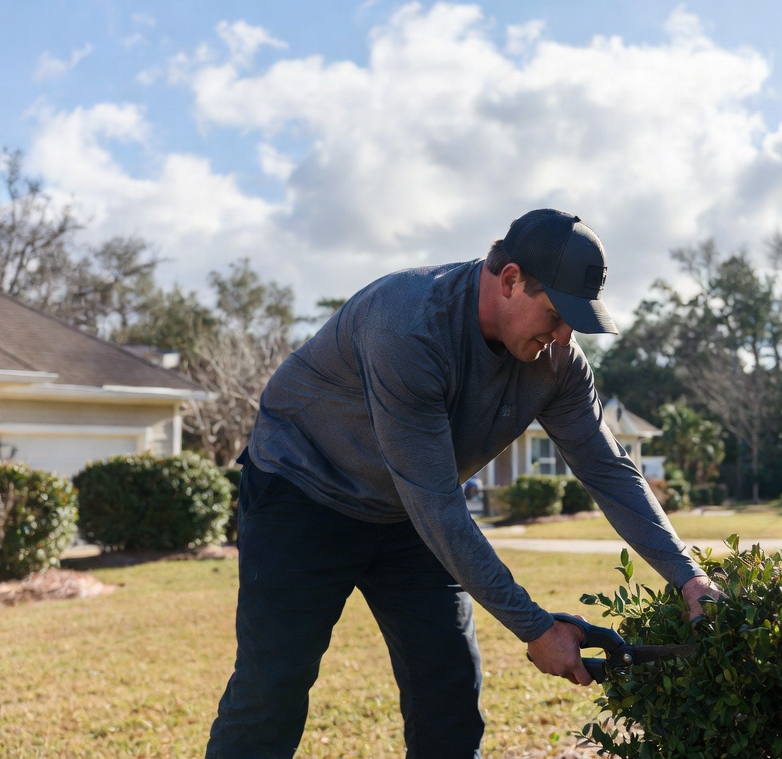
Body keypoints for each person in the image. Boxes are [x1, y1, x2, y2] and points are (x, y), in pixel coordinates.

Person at [205, 208, 724, 759]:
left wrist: (688, 577)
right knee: (273, 688)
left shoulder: (557, 362)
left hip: (408, 514)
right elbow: (438, 507)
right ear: (509, 281)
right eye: (554, 313)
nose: (563, 336)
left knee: (449, 689)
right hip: (304, 493)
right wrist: (536, 628)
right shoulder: (406, 326)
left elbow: (607, 469)